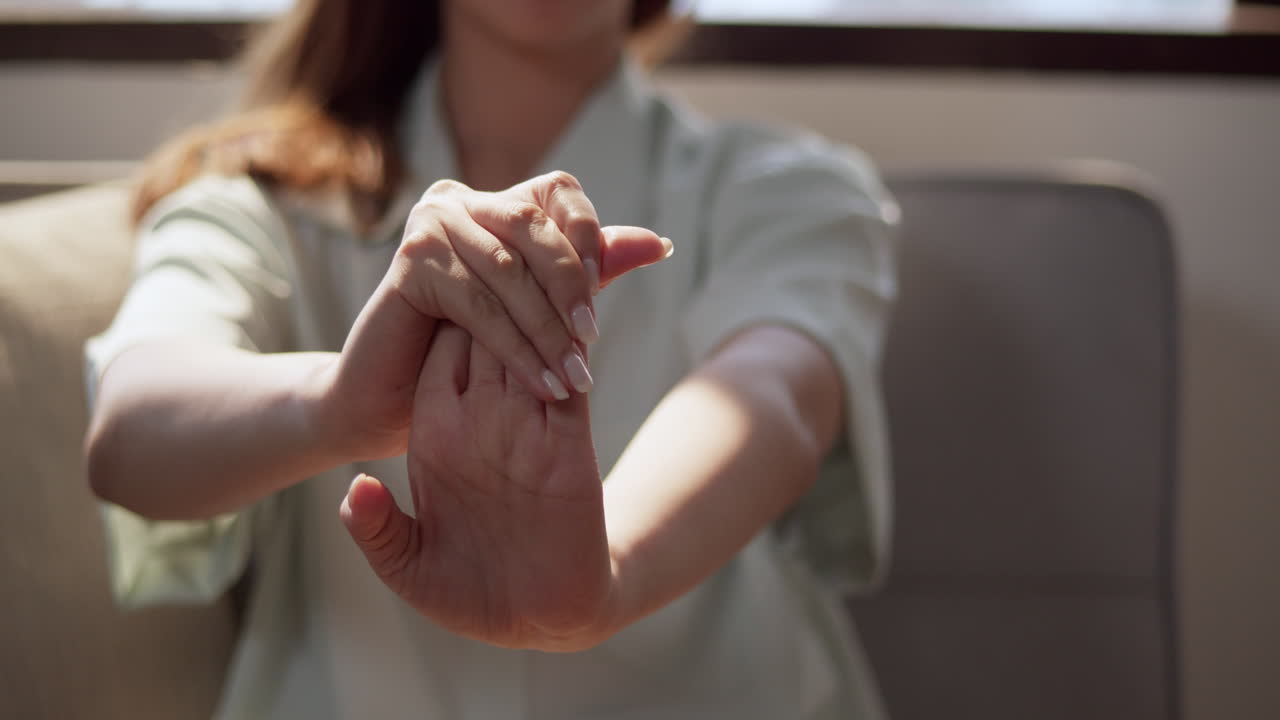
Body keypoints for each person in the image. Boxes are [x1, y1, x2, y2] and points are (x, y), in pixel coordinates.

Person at [84, 0, 899, 717]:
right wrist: (338, 402)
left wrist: (608, 577)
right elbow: (132, 426)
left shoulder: (783, 188)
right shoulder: (263, 204)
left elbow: (775, 398)